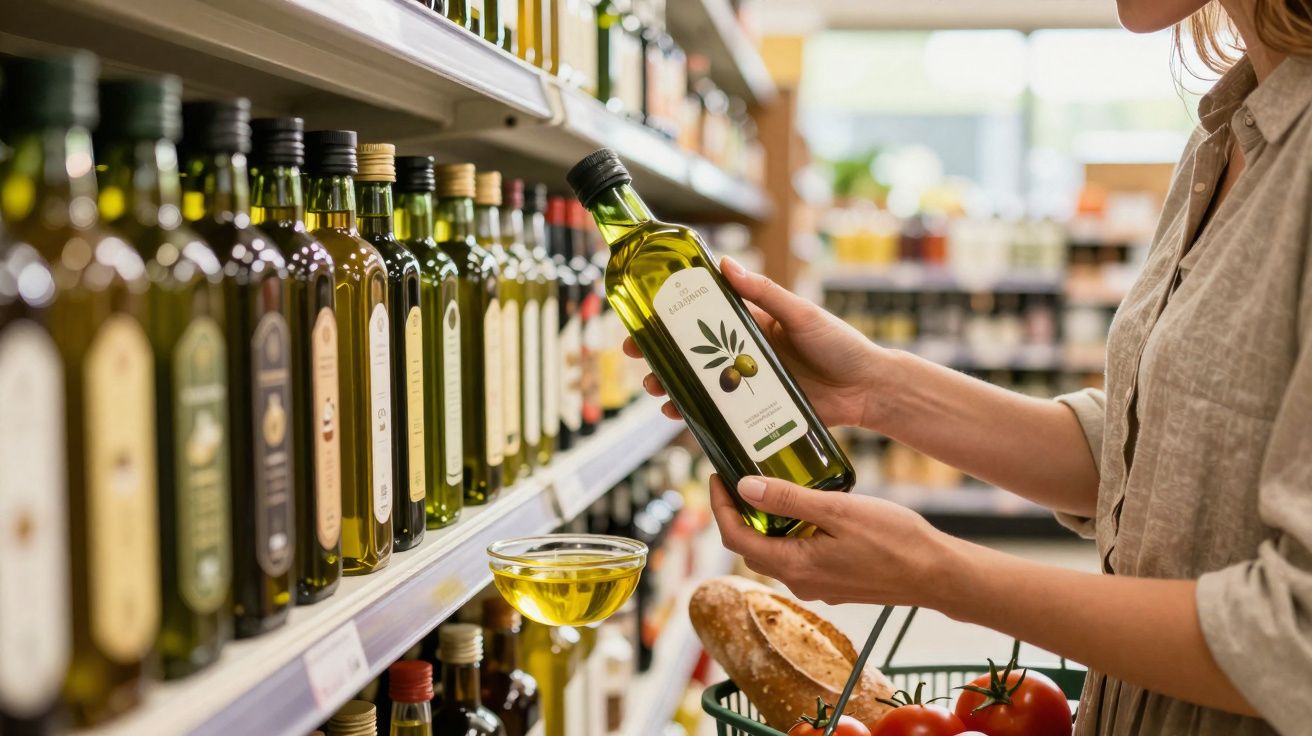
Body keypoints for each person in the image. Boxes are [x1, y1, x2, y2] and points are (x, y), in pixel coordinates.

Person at [626, 1, 1312, 733]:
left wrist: (934, 572)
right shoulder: (1227, 130)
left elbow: (1295, 638)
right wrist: (873, 387)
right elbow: (1154, 453)